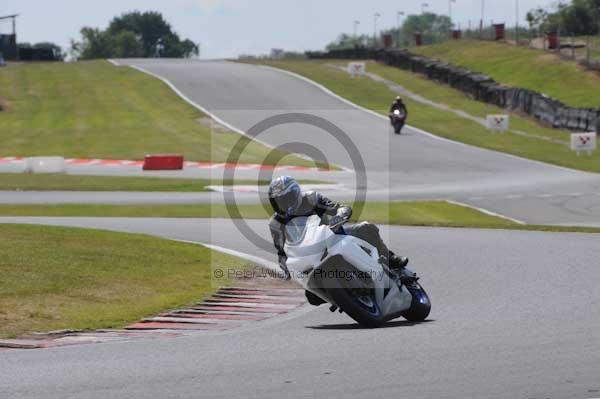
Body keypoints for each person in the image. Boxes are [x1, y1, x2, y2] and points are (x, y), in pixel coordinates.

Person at [268, 176, 409, 302]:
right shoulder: (275, 223)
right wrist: (287, 273)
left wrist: (341, 214)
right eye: (278, 201)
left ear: (295, 194)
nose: (283, 204)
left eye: (286, 198)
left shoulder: (311, 198)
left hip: (333, 236)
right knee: (312, 297)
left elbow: (338, 208)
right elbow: (281, 252)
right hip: (309, 254)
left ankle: (392, 260)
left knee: (366, 228)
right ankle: (343, 296)